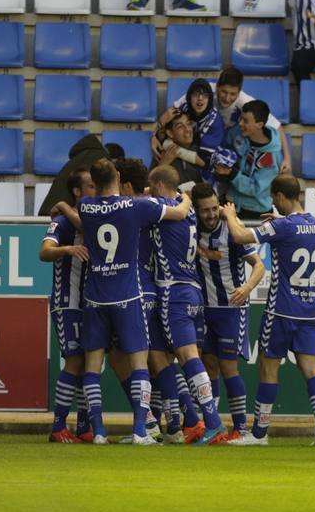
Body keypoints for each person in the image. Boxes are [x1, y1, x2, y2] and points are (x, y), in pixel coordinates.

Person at [76, 158, 193, 445]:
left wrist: (64, 208)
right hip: (128, 294)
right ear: (117, 176)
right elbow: (178, 213)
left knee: (93, 365)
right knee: (140, 362)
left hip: (95, 294)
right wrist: (187, 194)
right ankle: (142, 429)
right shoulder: (136, 206)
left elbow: (77, 216)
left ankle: (99, 432)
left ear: (94, 179)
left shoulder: (86, 207)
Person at [221, 175, 315, 446]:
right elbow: (292, 237)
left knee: (268, 369)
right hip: (309, 310)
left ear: (281, 197)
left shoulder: (282, 225)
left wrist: (230, 215)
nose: (273, 202)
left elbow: (240, 236)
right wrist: (276, 225)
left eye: (274, 198)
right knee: (310, 368)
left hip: (281, 309)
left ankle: (259, 434)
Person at [146, 165, 231, 445]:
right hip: (192, 290)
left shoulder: (159, 205)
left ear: (158, 185)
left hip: (174, 291)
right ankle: (183, 422)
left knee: (188, 357)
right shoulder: (191, 209)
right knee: (160, 356)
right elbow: (180, 200)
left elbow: (133, 202)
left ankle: (213, 421)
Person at [193, 182, 265, 440]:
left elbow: (258, 265)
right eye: (205, 210)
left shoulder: (232, 231)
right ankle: (212, 425)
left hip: (231, 308)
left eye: (214, 208)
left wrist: (247, 287)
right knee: (207, 366)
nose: (211, 215)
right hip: (203, 309)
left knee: (228, 367)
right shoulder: (190, 228)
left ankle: (240, 429)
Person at [40, 167, 97, 443]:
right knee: (74, 359)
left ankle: (85, 427)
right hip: (68, 301)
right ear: (77, 192)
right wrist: (68, 249)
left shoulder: (98, 219)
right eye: (90, 187)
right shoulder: (62, 221)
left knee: (91, 362)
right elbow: (44, 251)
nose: (96, 191)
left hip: (94, 302)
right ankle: (59, 426)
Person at [170, 68, 291, 173]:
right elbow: (172, 111)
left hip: (229, 144)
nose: (227, 98)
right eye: (224, 92)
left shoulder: (246, 102)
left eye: (233, 94)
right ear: (216, 86)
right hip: (201, 138)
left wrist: (287, 158)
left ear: (239, 93)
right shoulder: (204, 91)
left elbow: (277, 126)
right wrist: (155, 136)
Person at [219, 100, 283, 218]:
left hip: (255, 211)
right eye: (240, 118)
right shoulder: (238, 133)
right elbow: (225, 145)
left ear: (259, 124)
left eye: (246, 121)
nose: (240, 123)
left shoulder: (271, 157)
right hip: (231, 204)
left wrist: (231, 173)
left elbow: (255, 188)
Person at [154, 77, 223, 182]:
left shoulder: (215, 122)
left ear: (210, 99)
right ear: (189, 98)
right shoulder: (183, 109)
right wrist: (155, 137)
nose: (200, 98)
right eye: (196, 94)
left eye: (205, 95)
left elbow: (205, 162)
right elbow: (164, 127)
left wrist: (172, 149)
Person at [156, 113, 208, 187]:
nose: (187, 129)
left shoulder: (202, 151)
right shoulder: (163, 155)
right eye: (180, 127)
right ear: (170, 133)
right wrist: (163, 165)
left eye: (188, 124)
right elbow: (149, 188)